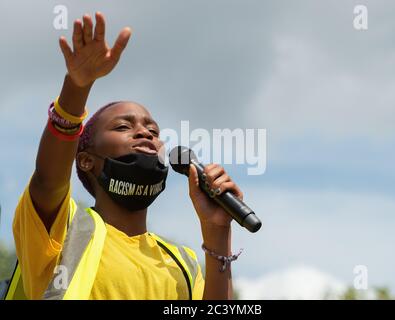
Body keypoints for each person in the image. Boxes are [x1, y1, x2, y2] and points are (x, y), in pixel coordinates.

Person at [5, 12, 244, 300]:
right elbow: (47, 181)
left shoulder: (182, 262)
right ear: (85, 160)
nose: (145, 133)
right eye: (123, 127)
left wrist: (217, 232)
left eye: (153, 130)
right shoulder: (63, 229)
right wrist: (77, 88)